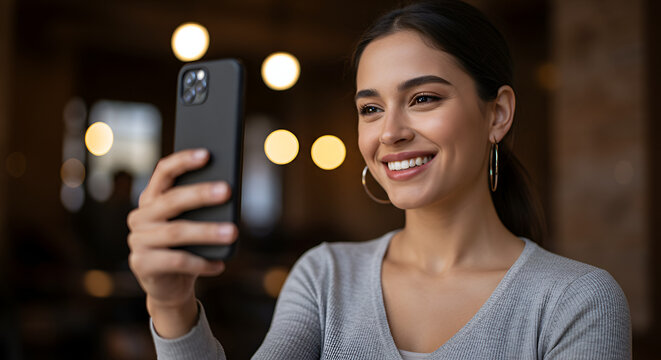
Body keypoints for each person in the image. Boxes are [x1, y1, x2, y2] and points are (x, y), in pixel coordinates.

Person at [127, 1, 632, 359]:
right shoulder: (324, 277)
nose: (390, 132)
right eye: (370, 108)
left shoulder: (575, 301)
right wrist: (171, 306)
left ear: (497, 113)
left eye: (423, 98)